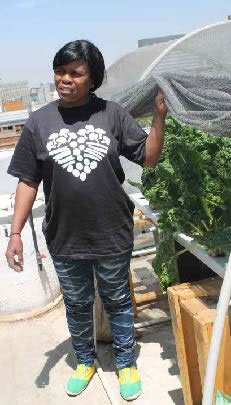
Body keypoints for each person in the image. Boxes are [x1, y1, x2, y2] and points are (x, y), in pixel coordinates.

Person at [5, 39, 167, 401]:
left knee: (118, 300)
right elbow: (28, 179)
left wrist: (159, 117)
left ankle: (126, 362)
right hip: (65, 236)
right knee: (77, 303)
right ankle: (85, 360)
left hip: (111, 230)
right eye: (60, 71)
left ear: (92, 78)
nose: (65, 78)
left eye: (75, 73)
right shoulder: (38, 121)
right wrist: (15, 233)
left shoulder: (113, 114)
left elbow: (149, 158)